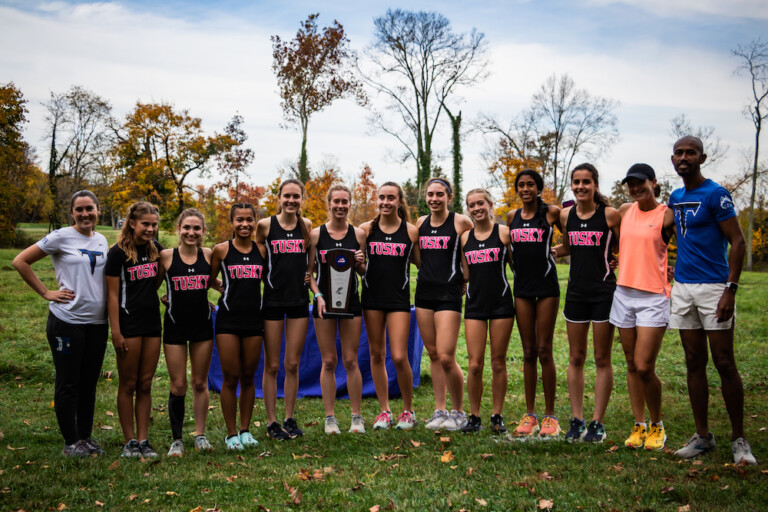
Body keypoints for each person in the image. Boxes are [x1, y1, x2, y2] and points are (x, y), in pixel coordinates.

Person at [668, 136, 756, 465]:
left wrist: (729, 289)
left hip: (714, 288)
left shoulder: (716, 194)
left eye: (690, 152)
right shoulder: (676, 197)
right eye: (679, 153)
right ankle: (703, 437)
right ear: (672, 159)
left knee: (723, 362)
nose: (684, 157)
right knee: (693, 361)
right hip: (684, 288)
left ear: (702, 157)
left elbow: (738, 242)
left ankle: (739, 440)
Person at [13, 190, 109, 457]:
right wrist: (46, 292)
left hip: (98, 323)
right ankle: (70, 442)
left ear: (98, 210)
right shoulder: (60, 236)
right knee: (68, 382)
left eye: (89, 208)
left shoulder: (101, 240)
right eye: (79, 209)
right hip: (67, 321)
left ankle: (85, 437)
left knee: (89, 383)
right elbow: (20, 261)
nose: (85, 214)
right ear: (72, 213)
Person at [610, 164, 673, 451]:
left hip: (653, 297)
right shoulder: (624, 210)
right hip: (624, 293)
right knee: (631, 363)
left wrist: (674, 269)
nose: (635, 188)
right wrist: (611, 259)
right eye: (630, 184)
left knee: (645, 365)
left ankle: (657, 424)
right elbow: (615, 242)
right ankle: (639, 425)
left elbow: (685, 244)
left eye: (640, 183)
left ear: (653, 182)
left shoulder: (666, 215)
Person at [555, 164, 620, 443]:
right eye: (576, 182)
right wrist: (551, 252)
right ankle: (577, 419)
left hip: (604, 292)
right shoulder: (565, 214)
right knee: (576, 357)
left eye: (586, 182)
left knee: (602, 358)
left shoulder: (610, 215)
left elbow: (622, 247)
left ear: (595, 185)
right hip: (576, 293)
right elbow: (569, 246)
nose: (580, 187)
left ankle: (598, 423)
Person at [506, 170, 562, 439]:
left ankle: (551, 416)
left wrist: (559, 251)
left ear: (539, 188)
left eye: (530, 184)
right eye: (521, 185)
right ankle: (530, 414)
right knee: (528, 351)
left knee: (544, 350)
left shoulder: (552, 213)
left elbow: (575, 239)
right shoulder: (511, 217)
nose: (525, 188)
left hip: (547, 286)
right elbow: (509, 253)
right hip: (522, 288)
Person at [105, 201, 164, 458]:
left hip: (152, 324)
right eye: (145, 224)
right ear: (132, 223)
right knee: (128, 384)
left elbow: (159, 280)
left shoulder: (157, 250)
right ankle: (129, 441)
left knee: (145, 383)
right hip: (128, 324)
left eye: (154, 224)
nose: (150, 229)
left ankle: (143, 440)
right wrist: (115, 331)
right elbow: (112, 295)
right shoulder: (117, 253)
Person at [360, 182, 420, 430]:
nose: (385, 202)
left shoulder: (411, 231)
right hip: (372, 299)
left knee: (398, 355)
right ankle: (384, 411)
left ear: (399, 201)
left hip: (398, 300)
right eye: (381, 197)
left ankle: (408, 411)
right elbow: (359, 266)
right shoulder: (365, 230)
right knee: (376, 354)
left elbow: (423, 266)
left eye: (390, 198)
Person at [256, 179, 312, 440]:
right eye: (287, 196)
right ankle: (271, 421)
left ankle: (289, 418)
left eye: (296, 196)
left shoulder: (307, 226)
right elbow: (257, 263)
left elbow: (310, 263)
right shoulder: (265, 226)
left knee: (292, 363)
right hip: (273, 302)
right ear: (278, 197)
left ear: (302, 199)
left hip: (299, 301)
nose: (291, 200)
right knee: (272, 364)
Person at [308, 185, 367, 434]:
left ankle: (357, 417)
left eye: (345, 202)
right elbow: (308, 272)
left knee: (351, 360)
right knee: (329, 360)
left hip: (351, 302)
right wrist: (318, 295)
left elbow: (364, 272)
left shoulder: (360, 234)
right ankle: (330, 417)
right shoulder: (315, 235)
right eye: (336, 202)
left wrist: (362, 265)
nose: (340, 206)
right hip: (324, 303)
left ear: (350, 204)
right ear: (328, 204)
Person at [416, 178, 474, 431]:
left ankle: (459, 412)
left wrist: (467, 280)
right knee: (432, 353)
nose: (434, 199)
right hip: (424, 294)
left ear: (449, 197)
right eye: (430, 194)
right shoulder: (420, 223)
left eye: (440, 194)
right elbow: (419, 257)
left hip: (449, 294)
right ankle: (439, 410)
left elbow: (472, 251)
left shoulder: (461, 222)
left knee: (446, 355)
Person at [159, 208, 216, 456]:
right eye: (186, 228)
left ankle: (201, 435)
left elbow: (214, 282)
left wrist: (232, 292)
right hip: (175, 325)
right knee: (179, 384)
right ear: (178, 229)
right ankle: (177, 439)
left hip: (202, 325)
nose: (191, 232)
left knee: (200, 382)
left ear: (203, 231)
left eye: (196, 228)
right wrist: (165, 296)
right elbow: (148, 283)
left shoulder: (209, 254)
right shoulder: (166, 256)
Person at [210, 203, 265, 451]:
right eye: (239, 220)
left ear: (255, 222)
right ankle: (231, 434)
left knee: (249, 376)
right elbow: (209, 278)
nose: (245, 224)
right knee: (230, 377)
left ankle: (245, 430)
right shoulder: (221, 250)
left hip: (254, 320)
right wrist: (222, 287)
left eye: (249, 220)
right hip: (228, 321)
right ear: (231, 223)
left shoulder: (262, 251)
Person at [459, 189, 514, 434]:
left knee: (498, 362)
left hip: (501, 303)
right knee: (474, 365)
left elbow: (518, 264)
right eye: (471, 205)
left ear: (490, 204)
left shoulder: (504, 233)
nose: (476, 208)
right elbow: (466, 273)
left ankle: (497, 415)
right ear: (468, 209)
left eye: (480, 203)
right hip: (475, 304)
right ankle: (474, 416)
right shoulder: (464, 238)